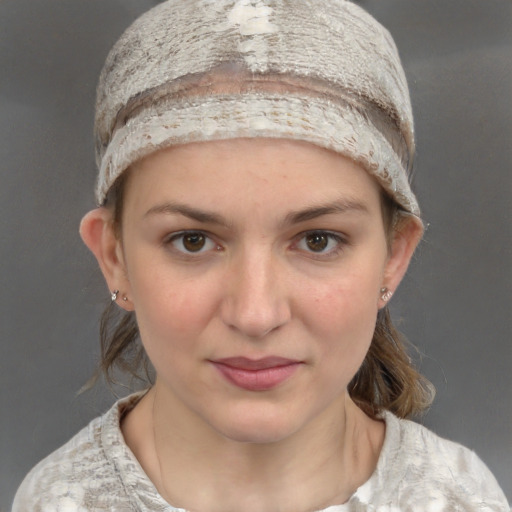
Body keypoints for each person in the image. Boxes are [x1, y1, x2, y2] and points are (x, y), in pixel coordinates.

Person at [12, 1, 509, 510]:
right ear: (114, 256)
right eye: (193, 240)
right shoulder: (54, 501)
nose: (255, 315)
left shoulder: (463, 499)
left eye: (319, 240)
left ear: (393, 256)